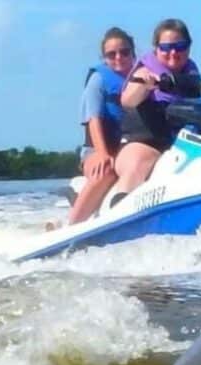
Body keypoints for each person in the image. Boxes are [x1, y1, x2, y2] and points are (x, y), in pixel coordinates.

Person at [114, 18, 201, 198]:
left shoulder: (193, 76)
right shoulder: (144, 72)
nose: (173, 52)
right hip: (143, 142)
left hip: (183, 143)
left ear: (189, 47)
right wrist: (144, 86)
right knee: (139, 163)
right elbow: (127, 100)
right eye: (166, 48)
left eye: (180, 46)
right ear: (156, 49)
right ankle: (121, 206)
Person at [66, 27, 136, 225]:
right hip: (97, 149)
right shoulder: (99, 80)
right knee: (104, 171)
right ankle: (71, 226)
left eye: (124, 52)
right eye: (111, 54)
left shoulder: (141, 79)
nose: (118, 58)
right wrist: (103, 154)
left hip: (128, 149)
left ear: (133, 52)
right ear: (104, 57)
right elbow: (93, 120)